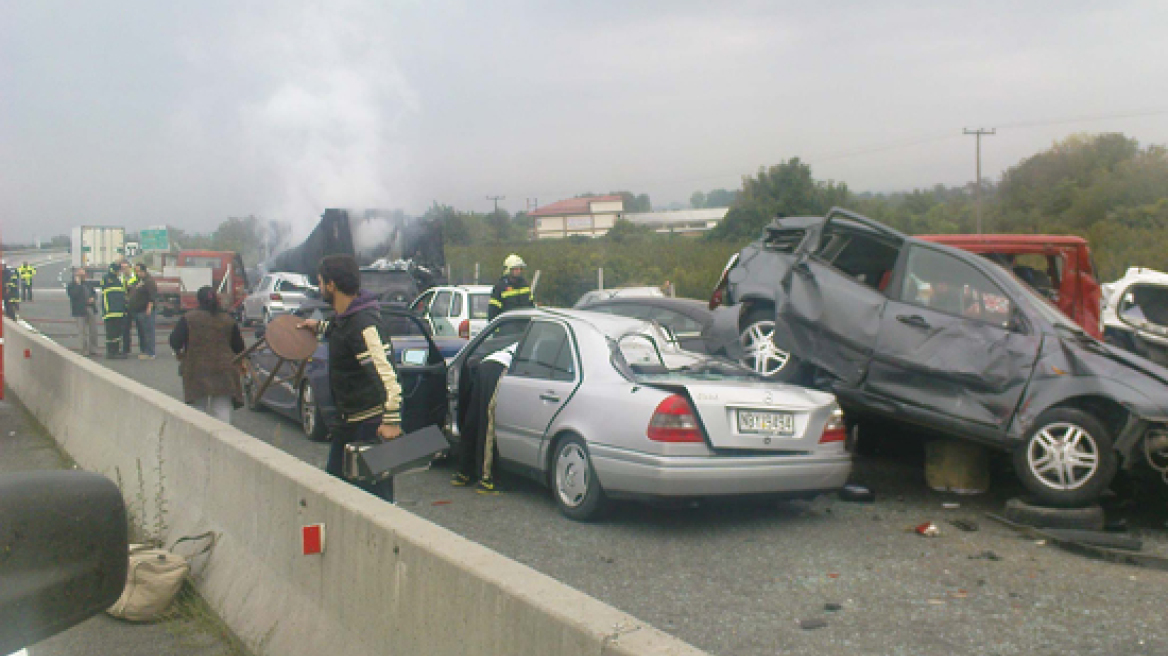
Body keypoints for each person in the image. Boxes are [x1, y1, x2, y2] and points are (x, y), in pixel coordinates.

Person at [298, 255, 403, 500]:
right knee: (335, 494)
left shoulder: (364, 324)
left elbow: (387, 375)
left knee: (378, 501)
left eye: (321, 282)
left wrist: (391, 419)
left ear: (332, 285)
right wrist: (319, 327)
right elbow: (341, 332)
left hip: (369, 428)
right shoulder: (345, 319)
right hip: (348, 426)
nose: (320, 287)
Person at [169, 286, 245, 423]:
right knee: (222, 411)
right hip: (225, 370)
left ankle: (199, 441)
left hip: (196, 368)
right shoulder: (228, 319)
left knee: (198, 411)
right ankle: (223, 441)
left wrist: (180, 353)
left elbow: (174, 341)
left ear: (198, 300)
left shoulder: (189, 318)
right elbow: (239, 347)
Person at [452, 343, 515, 493]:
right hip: (498, 369)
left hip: (486, 364)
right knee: (488, 424)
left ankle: (464, 472)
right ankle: (487, 478)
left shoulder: (513, 344)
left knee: (473, 419)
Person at [487, 254, 534, 320]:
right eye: (516, 269)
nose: (519, 271)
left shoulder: (524, 284)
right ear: (508, 269)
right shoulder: (500, 287)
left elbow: (531, 305)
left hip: (524, 326)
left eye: (520, 269)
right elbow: (493, 312)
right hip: (507, 326)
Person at [127, 263, 158, 359]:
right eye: (136, 271)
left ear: (144, 271)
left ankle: (150, 353)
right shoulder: (139, 281)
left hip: (146, 310)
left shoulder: (149, 281)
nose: (137, 273)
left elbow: (152, 296)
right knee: (143, 332)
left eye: (138, 271)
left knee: (148, 331)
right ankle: (144, 350)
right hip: (138, 310)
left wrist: (149, 307)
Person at [66, 268, 100, 357]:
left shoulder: (88, 284)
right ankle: (84, 349)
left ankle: (94, 349)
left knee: (93, 330)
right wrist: (78, 284)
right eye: (80, 275)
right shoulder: (72, 285)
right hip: (79, 310)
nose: (83, 277)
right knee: (82, 331)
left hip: (90, 308)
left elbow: (94, 293)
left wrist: (93, 298)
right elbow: (74, 295)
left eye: (84, 275)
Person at [98, 264, 127, 359]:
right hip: (109, 312)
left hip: (119, 311)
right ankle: (110, 352)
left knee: (117, 334)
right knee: (111, 334)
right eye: (118, 270)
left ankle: (116, 351)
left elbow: (123, 296)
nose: (119, 272)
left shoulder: (119, 280)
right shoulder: (106, 279)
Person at [120, 260, 138, 355]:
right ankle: (126, 349)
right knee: (125, 329)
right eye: (122, 268)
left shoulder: (136, 277)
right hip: (125, 305)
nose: (124, 270)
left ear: (130, 267)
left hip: (135, 305)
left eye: (125, 268)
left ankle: (145, 350)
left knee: (141, 329)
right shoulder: (121, 278)